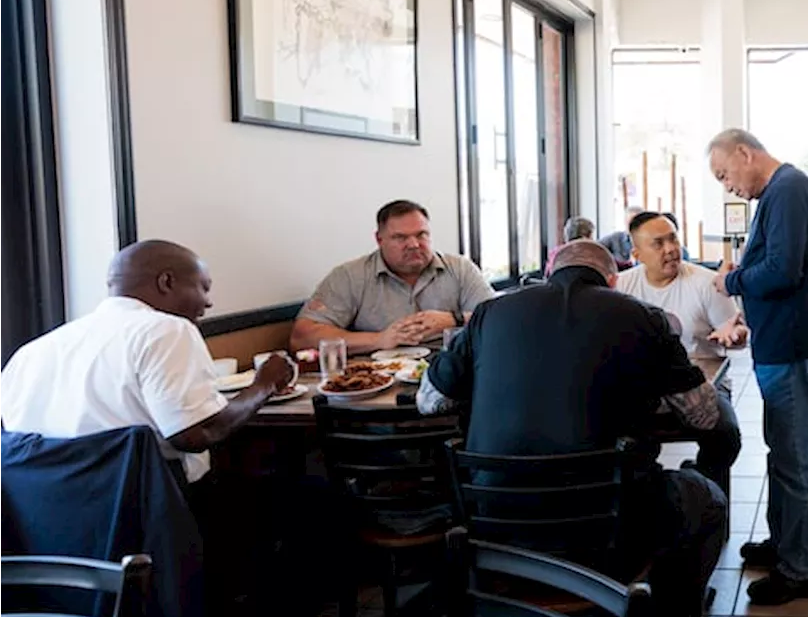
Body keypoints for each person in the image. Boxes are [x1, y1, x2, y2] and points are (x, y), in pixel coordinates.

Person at [418, 241, 726, 617]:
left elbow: (429, 401)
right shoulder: (643, 317)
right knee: (708, 501)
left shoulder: (491, 313)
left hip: (497, 523)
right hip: (610, 528)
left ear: (547, 272)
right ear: (613, 278)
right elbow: (704, 416)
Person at [0, 241, 294, 483]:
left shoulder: (29, 353)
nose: (208, 302)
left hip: (46, 533)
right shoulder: (165, 329)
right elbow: (195, 434)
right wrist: (264, 384)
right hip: (144, 514)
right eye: (203, 287)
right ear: (166, 282)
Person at [707, 128, 808, 606]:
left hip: (790, 345)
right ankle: (786, 545)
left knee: (796, 458)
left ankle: (802, 569)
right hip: (780, 339)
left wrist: (731, 280)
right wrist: (746, 315)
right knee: (781, 452)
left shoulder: (787, 189)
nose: (728, 186)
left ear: (745, 152)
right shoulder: (780, 193)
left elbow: (783, 271)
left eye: (725, 173)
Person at [617, 211, 745, 494]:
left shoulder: (706, 283)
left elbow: (734, 332)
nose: (671, 249)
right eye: (658, 243)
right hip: (641, 391)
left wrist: (735, 337)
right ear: (637, 253)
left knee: (726, 435)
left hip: (701, 385)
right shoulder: (622, 287)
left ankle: (703, 488)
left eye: (673, 238)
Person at [291, 200, 494, 354]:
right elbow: (302, 337)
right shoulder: (349, 276)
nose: (414, 244)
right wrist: (379, 340)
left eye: (421, 234)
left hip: (453, 371)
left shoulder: (460, 269)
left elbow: (500, 319)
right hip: (377, 381)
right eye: (400, 237)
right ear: (379, 240)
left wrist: (453, 319)